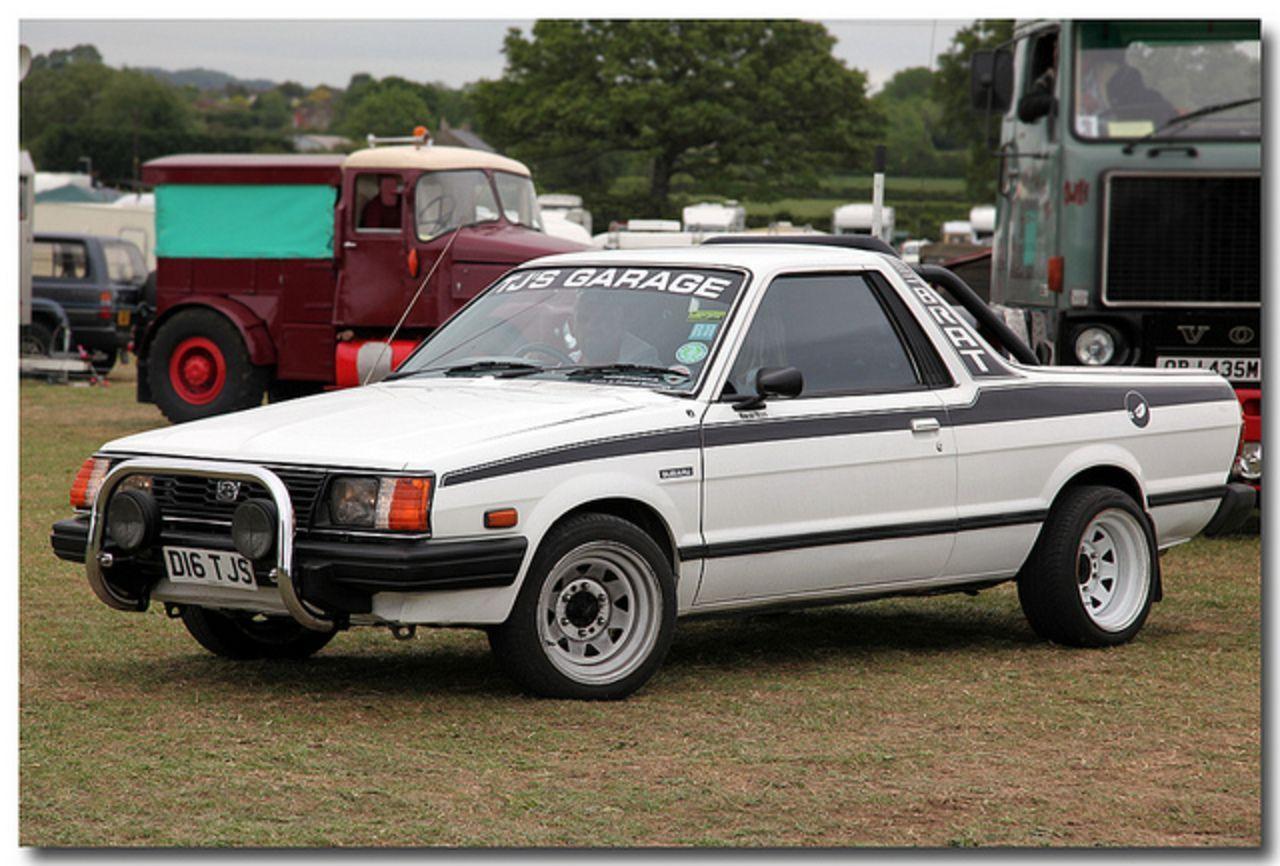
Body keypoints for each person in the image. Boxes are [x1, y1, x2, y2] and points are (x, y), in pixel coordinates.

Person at [568, 291, 661, 366]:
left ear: (620, 323)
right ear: (571, 327)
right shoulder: (568, 363)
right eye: (583, 319)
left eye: (601, 319)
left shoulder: (643, 363)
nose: (591, 327)